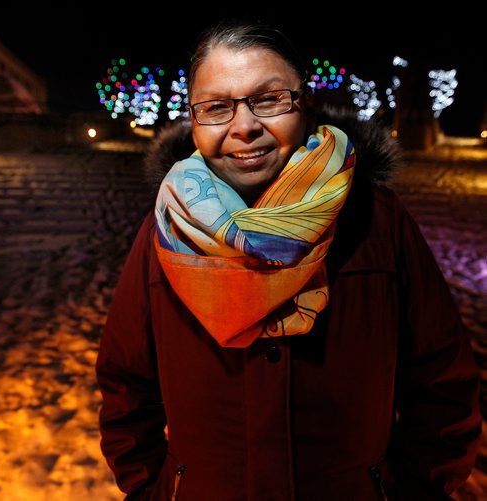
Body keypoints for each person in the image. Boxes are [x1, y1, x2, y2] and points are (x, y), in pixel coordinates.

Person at [95, 19, 481, 500]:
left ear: (305, 104)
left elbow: (442, 382)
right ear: (194, 120)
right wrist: (153, 490)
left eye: (269, 99)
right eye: (216, 107)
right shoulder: (167, 230)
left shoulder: (375, 221)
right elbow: (126, 386)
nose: (244, 126)